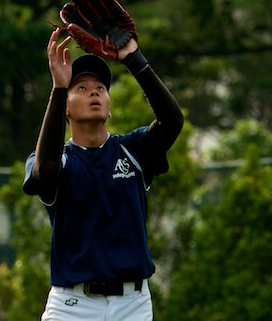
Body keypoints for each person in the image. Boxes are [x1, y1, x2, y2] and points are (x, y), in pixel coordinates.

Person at [23, 27, 184, 320]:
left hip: (132, 305)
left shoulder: (132, 150)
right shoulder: (55, 160)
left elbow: (172, 121)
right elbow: (45, 171)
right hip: (72, 306)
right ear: (66, 110)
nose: (94, 91)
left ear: (109, 108)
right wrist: (59, 88)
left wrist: (134, 58)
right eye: (80, 88)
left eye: (100, 87)